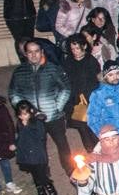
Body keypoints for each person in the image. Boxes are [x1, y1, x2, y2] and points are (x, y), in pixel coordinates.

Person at [8, 39, 74, 174]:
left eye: (36, 51)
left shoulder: (53, 69)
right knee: (37, 148)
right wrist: (25, 110)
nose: (33, 55)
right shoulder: (19, 72)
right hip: (32, 119)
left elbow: (65, 88)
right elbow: (14, 93)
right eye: (30, 52)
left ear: (42, 52)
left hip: (53, 117)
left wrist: (57, 107)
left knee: (63, 146)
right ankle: (43, 175)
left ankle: (71, 171)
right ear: (25, 54)